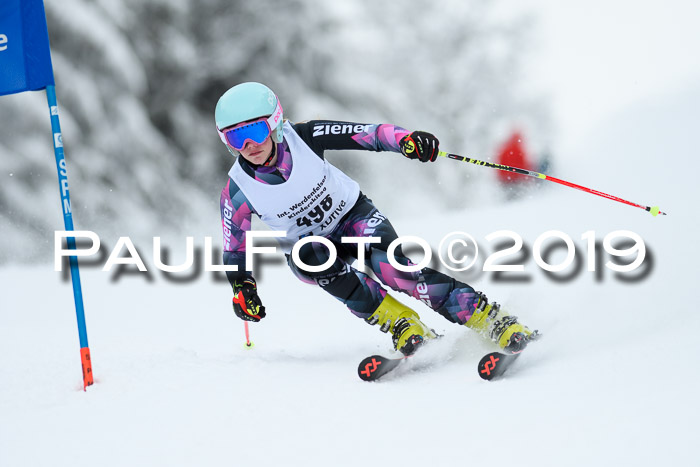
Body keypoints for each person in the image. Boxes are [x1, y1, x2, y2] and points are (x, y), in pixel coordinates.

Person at [216, 82, 536, 356]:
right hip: (310, 247)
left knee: (396, 270)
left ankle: (490, 319)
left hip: (353, 217)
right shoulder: (238, 192)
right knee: (311, 257)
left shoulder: (304, 138)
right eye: (235, 138)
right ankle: (401, 322)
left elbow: (368, 134)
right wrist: (242, 286)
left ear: (273, 123)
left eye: (255, 131)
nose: (249, 145)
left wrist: (407, 141)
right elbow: (234, 249)